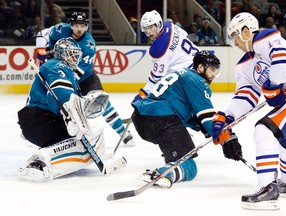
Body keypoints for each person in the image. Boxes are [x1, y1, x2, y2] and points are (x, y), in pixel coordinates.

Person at [131, 51, 242, 187]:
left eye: (216, 71)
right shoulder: (197, 80)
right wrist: (226, 138)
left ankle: (172, 159)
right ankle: (164, 173)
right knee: (189, 168)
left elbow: (180, 109)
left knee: (177, 152)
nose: (214, 75)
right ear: (200, 67)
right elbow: (207, 116)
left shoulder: (183, 74)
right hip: (162, 121)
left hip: (143, 119)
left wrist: (198, 125)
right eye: (212, 69)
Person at [213, 12, 286, 210]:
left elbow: (282, 58)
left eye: (235, 36)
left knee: (265, 130)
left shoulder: (266, 39)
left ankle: (267, 188)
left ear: (246, 31)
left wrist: (274, 85)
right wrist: (225, 117)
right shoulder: (244, 66)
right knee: (282, 135)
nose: (234, 43)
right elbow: (246, 97)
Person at [17, 37, 109, 182]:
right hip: (39, 120)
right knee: (75, 144)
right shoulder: (56, 65)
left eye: (76, 54)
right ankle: (37, 164)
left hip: (44, 119)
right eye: (71, 53)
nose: (75, 57)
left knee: (76, 143)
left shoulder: (67, 71)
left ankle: (47, 160)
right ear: (61, 53)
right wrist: (70, 113)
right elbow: (60, 93)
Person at [48, 11, 136, 146]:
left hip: (86, 78)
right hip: (64, 73)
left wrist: (68, 82)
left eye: (82, 26)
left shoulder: (88, 44)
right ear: (70, 25)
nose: (79, 29)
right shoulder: (60, 30)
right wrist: (50, 51)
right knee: (59, 106)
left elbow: (80, 71)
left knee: (101, 103)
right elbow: (51, 37)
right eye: (76, 25)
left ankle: (122, 132)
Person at [133, 10, 200, 102]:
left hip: (190, 76)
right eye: (145, 28)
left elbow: (156, 77)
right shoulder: (169, 25)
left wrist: (143, 93)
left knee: (166, 101)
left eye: (151, 27)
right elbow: (185, 34)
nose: (148, 31)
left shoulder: (158, 47)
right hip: (200, 65)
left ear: (158, 24)